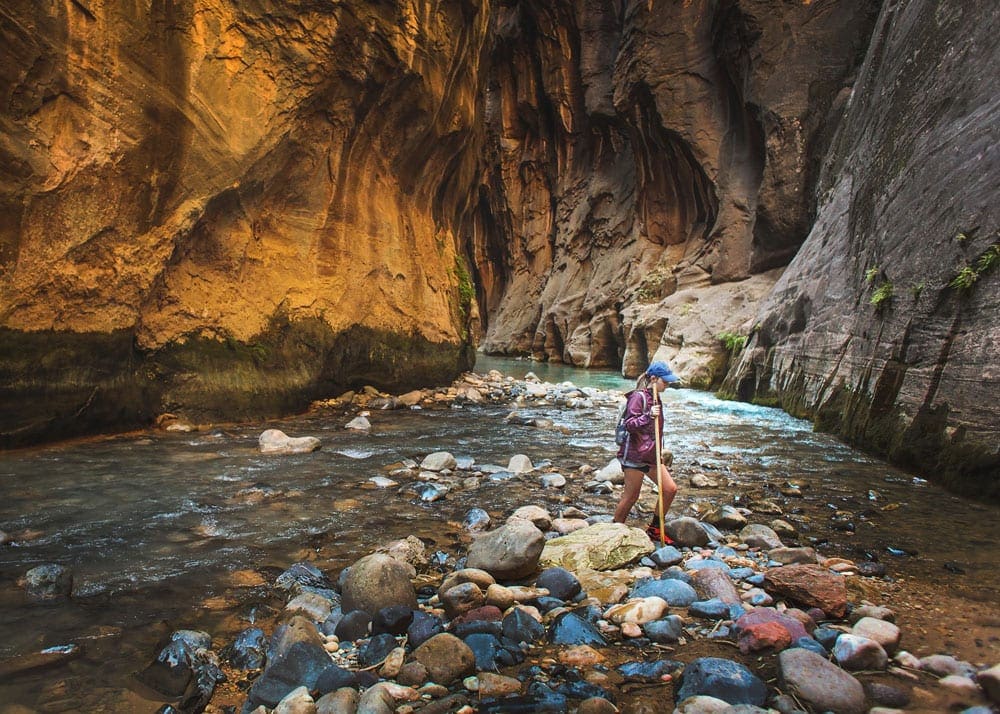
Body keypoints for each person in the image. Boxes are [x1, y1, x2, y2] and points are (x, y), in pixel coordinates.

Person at [613, 360, 681, 544]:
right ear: (653, 378)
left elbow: (655, 431)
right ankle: (612, 532)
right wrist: (647, 416)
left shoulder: (656, 397)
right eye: (664, 381)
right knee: (631, 497)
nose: (667, 384)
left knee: (669, 489)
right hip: (634, 456)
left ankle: (655, 529)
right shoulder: (638, 397)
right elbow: (629, 425)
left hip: (651, 456)